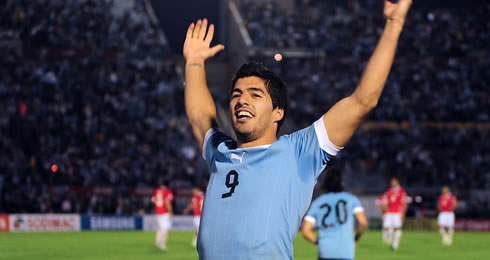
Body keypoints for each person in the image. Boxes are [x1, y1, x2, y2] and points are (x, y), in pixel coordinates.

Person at [183, 0, 412, 258]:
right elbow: (199, 116)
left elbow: (362, 101)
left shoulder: (299, 151)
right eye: (236, 94)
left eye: (255, 94)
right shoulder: (220, 151)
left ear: (277, 112)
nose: (241, 100)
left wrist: (394, 23)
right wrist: (194, 63)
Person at [301, 168, 367, 260]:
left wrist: (319, 242)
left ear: (325, 184)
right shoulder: (351, 199)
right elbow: (363, 222)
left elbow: (305, 231)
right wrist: (356, 239)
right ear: (342, 182)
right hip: (346, 252)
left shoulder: (318, 202)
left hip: (325, 251)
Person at [382, 177, 407, 251]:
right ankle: (390, 237)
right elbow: (386, 201)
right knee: (386, 227)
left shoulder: (401, 191)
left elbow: (404, 203)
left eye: (393, 181)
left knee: (397, 228)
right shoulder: (389, 190)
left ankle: (395, 245)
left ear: (397, 182)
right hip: (389, 212)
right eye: (391, 181)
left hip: (397, 213)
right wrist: (385, 209)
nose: (392, 183)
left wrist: (403, 213)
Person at [151, 181, 173, 250]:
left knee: (159, 228)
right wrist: (171, 212)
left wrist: (158, 206)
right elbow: (167, 202)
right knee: (164, 229)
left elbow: (153, 200)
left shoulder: (157, 190)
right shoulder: (167, 191)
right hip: (164, 213)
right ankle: (162, 245)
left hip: (158, 212)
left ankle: (157, 242)